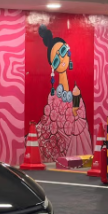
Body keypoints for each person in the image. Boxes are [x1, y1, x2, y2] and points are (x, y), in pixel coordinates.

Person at [34, 25, 91, 162]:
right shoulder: (53, 98)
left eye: (63, 51)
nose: (61, 59)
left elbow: (78, 115)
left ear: (68, 50)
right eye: (56, 60)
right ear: (52, 66)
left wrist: (76, 100)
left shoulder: (75, 89)